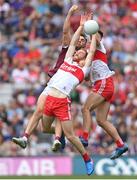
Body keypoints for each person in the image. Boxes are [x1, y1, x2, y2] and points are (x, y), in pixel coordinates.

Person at [12, 5, 87, 152]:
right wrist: (70, 14)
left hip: (64, 89)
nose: (80, 41)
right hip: (52, 83)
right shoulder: (68, 49)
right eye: (80, 39)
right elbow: (66, 31)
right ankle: (36, 137)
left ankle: (58, 139)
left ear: (85, 45)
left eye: (84, 41)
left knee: (58, 117)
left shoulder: (83, 62)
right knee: (43, 123)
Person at [42, 14, 96, 175]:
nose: (78, 52)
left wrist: (93, 34)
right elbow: (72, 42)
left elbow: (91, 50)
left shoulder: (83, 69)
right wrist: (80, 26)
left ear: (85, 59)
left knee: (73, 136)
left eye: (82, 53)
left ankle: (87, 158)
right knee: (44, 128)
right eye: (78, 52)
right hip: (50, 97)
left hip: (62, 101)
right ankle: (61, 136)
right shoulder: (67, 60)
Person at [79, 30, 128, 159]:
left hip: (104, 83)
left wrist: (91, 29)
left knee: (85, 109)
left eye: (96, 36)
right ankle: (120, 145)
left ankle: (84, 137)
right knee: (101, 120)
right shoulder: (89, 57)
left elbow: (95, 39)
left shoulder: (100, 48)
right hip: (103, 84)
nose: (93, 39)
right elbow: (87, 79)